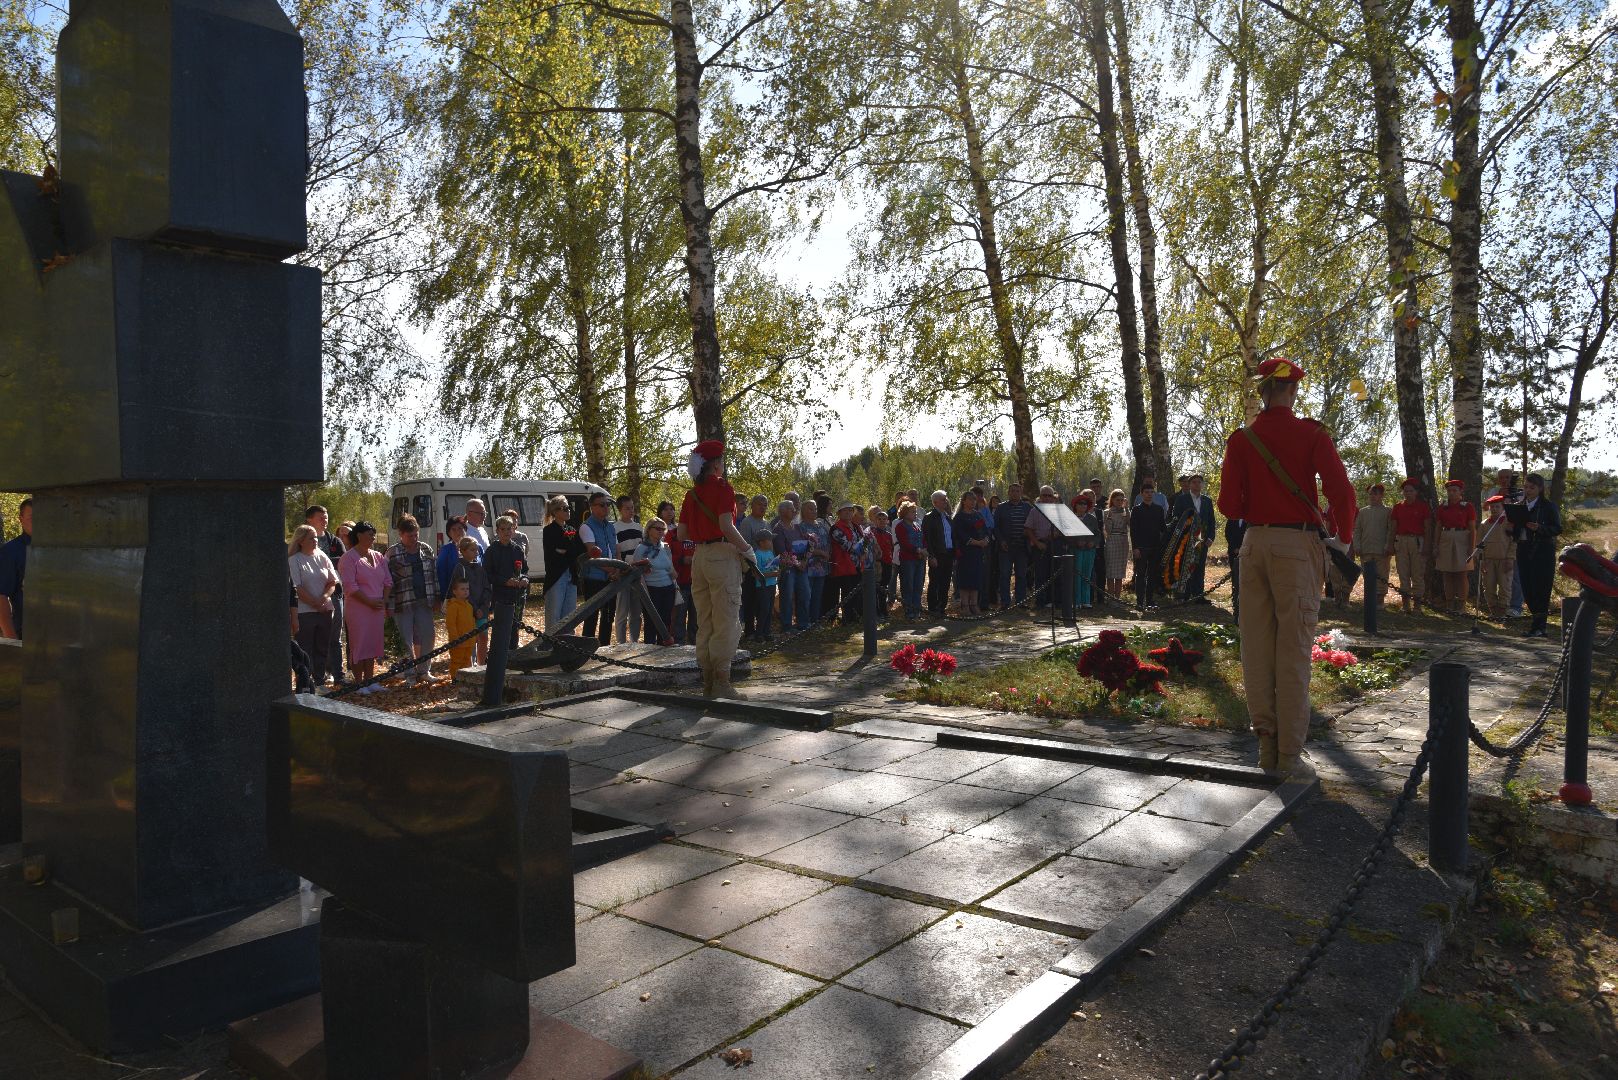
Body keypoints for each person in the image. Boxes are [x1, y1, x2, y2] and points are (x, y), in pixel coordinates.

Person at [1217, 356, 1355, 778]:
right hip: (1297, 547)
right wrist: (1343, 541)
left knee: (1256, 649)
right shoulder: (1310, 434)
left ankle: (1266, 747)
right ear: (1292, 390)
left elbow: (1228, 505)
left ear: (1262, 391)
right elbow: (1342, 494)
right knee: (1293, 653)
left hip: (1254, 544)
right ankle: (1290, 757)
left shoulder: (1242, 440)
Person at [677, 439, 753, 699]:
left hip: (700, 557)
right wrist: (746, 549)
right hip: (722, 556)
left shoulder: (691, 494)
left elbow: (682, 533)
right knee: (726, 620)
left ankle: (708, 681)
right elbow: (725, 525)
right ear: (716, 465)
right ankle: (722, 682)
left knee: (705, 621)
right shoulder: (723, 488)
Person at [386, 514, 441, 685]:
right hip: (402, 602)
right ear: (401, 534)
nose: (414, 538)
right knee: (405, 639)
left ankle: (424, 670)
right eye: (410, 535)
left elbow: (434, 574)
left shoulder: (426, 549)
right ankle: (408, 673)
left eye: (416, 534)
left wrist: (437, 597)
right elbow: (386, 580)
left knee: (428, 635)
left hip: (424, 600)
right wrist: (388, 604)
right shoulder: (392, 553)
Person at [338, 522, 390, 693]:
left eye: (374, 534)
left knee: (373, 642)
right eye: (369, 534)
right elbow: (350, 587)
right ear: (359, 535)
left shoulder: (378, 556)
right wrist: (369, 602)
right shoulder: (349, 558)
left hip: (377, 607)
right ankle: (359, 682)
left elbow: (388, 581)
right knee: (359, 643)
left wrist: (383, 600)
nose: (373, 537)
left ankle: (370, 680)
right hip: (358, 608)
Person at [288, 524, 339, 686]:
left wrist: (323, 599)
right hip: (304, 612)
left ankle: (319, 681)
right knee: (305, 649)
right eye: (311, 538)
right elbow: (296, 587)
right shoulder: (294, 560)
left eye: (316, 537)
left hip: (325, 609)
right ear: (301, 540)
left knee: (322, 647)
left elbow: (332, 582)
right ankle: (304, 683)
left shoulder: (322, 556)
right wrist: (314, 603)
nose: (315, 540)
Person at [1513, 473, 1561, 637]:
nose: (1528, 490)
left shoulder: (1548, 506)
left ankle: (1539, 627)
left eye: (1532, 487)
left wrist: (1539, 528)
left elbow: (1557, 529)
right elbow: (1515, 532)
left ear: (1540, 489)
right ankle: (1536, 624)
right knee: (1527, 588)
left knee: (1540, 588)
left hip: (1542, 552)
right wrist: (1510, 528)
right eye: (1525, 487)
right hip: (1524, 550)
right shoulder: (1519, 505)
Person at [306, 505, 347, 682]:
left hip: (334, 594)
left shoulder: (335, 541)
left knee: (335, 637)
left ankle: (338, 674)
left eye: (326, 517)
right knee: (315, 638)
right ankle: (318, 676)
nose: (325, 520)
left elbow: (344, 564)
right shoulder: (302, 542)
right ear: (309, 519)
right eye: (321, 517)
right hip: (310, 597)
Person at [484, 515, 530, 651]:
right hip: (500, 595)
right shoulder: (492, 551)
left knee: (515, 627)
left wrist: (524, 579)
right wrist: (505, 581)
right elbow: (487, 574)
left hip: (517, 595)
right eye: (503, 529)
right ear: (497, 531)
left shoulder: (517, 550)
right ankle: (498, 657)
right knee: (501, 628)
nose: (506, 532)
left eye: (509, 529)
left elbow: (525, 570)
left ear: (513, 530)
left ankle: (512, 654)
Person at [578, 493, 618, 644]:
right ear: (592, 507)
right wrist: (613, 570)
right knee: (591, 617)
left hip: (612, 578)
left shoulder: (611, 527)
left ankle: (604, 649)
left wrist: (618, 570)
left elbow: (617, 550)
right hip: (594, 579)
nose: (606, 507)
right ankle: (585, 651)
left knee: (608, 617)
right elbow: (593, 554)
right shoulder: (586, 527)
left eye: (607, 504)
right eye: (602, 505)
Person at [541, 495, 585, 629]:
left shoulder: (572, 529)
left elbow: (578, 550)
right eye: (564, 508)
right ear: (555, 512)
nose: (568, 511)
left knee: (569, 614)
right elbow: (557, 551)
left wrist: (566, 550)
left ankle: (567, 643)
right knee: (554, 614)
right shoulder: (549, 530)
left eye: (568, 507)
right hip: (556, 576)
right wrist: (568, 550)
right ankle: (550, 645)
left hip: (571, 576)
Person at [1389, 479, 1432, 614]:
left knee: (1417, 574)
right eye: (1406, 491)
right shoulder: (1398, 507)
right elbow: (1393, 527)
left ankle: (1417, 606)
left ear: (1416, 492)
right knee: (1403, 573)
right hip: (1401, 541)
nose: (1408, 493)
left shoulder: (1423, 507)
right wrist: (1390, 544)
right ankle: (1405, 605)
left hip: (1417, 541)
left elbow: (1428, 527)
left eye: (1411, 491)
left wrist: (1427, 546)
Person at [1434, 480, 1476, 615]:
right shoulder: (1442, 507)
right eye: (1449, 491)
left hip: (1462, 537)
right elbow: (1438, 527)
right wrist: (1436, 545)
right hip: (1446, 537)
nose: (1451, 493)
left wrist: (1472, 546)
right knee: (1447, 573)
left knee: (1462, 574)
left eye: (1454, 491)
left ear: (1460, 492)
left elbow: (1472, 528)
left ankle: (1462, 604)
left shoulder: (1467, 507)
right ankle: (1450, 603)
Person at [632, 518, 677, 644]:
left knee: (666, 621)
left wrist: (674, 576)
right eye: (657, 529)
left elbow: (671, 568)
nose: (661, 532)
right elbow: (636, 573)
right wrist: (644, 593)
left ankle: (663, 649)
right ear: (649, 530)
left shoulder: (665, 547)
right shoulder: (641, 548)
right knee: (651, 622)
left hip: (668, 588)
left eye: (663, 529)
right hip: (651, 590)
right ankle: (650, 652)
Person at [1173, 474, 1217, 601]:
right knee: (1185, 565)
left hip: (1202, 539)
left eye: (1199, 482)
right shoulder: (1182, 499)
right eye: (1194, 482)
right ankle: (1184, 594)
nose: (1197, 484)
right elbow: (1176, 518)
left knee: (1199, 566)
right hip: (1186, 538)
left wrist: (1211, 538)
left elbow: (1211, 521)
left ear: (1202, 485)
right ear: (1189, 484)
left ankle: (1198, 595)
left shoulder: (1207, 501)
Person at [1350, 483, 1393, 607]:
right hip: (1366, 549)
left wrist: (1388, 546)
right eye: (1370, 494)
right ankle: (1369, 601)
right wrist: (1357, 546)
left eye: (1375, 494)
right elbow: (1357, 530)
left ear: (1381, 495)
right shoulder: (1363, 512)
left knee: (1382, 576)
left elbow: (1391, 530)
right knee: (1368, 576)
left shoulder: (1388, 511)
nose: (1372, 496)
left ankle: (1380, 602)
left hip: (1382, 550)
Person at [1491, 469, 1525, 616]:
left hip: (1515, 537)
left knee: (1514, 573)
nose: (1504, 480)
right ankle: (1502, 605)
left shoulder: (1519, 494)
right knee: (1500, 574)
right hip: (1499, 538)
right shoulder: (1496, 494)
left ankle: (1516, 606)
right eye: (1501, 477)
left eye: (1507, 477)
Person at [1129, 480, 1168, 609]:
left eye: (1151, 492)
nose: (1149, 494)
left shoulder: (1158, 509)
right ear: (1141, 494)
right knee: (1140, 575)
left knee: (1152, 574)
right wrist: (1135, 548)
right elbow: (1133, 531)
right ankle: (1140, 602)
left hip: (1155, 547)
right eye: (1146, 492)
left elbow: (1163, 528)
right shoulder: (1136, 509)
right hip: (1141, 548)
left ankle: (1150, 600)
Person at [952, 490, 991, 616]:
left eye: (974, 499)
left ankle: (974, 604)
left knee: (976, 578)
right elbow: (961, 535)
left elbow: (985, 530)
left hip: (978, 553)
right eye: (970, 499)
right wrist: (976, 542)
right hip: (965, 553)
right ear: (964, 501)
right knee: (966, 580)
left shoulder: (978, 515)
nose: (973, 502)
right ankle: (965, 606)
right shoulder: (959, 517)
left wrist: (985, 539)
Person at [453, 535, 491, 662]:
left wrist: (484, 607)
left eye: (476, 550)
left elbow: (487, 588)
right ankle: (470, 665)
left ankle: (481, 665)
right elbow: (462, 592)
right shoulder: (459, 568)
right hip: (468, 610)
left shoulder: (480, 568)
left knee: (483, 638)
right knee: (470, 639)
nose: (475, 552)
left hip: (482, 610)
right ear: (463, 551)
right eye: (472, 550)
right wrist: (475, 609)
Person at [738, 495, 771, 638]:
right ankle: (750, 631)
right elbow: (744, 546)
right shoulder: (747, 522)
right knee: (750, 599)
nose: (762, 507)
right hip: (751, 568)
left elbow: (770, 546)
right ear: (752, 505)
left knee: (763, 601)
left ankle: (763, 629)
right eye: (759, 504)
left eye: (765, 505)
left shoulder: (766, 523)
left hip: (766, 568)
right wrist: (751, 568)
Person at [771, 500, 807, 633]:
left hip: (801, 567)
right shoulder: (778, 529)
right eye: (791, 509)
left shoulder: (797, 527)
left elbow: (805, 544)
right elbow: (782, 552)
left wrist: (804, 561)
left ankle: (802, 623)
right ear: (783, 511)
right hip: (788, 569)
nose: (795, 511)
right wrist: (797, 563)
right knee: (787, 596)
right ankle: (786, 626)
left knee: (804, 593)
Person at [995, 482, 1033, 608]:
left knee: (1021, 575)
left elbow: (1031, 526)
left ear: (1021, 493)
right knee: (1005, 574)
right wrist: (1001, 541)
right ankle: (1005, 602)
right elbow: (996, 528)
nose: (1015, 493)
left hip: (1022, 547)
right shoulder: (1001, 508)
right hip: (1006, 547)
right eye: (1012, 491)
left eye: (1017, 491)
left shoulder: (1027, 507)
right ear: (1008, 492)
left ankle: (1020, 601)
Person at [612, 496, 644, 645]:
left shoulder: (639, 528)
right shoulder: (614, 528)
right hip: (623, 573)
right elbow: (615, 551)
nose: (631, 511)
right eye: (627, 508)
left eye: (632, 507)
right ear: (620, 509)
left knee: (636, 612)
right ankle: (621, 643)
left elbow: (642, 549)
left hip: (637, 574)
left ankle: (634, 642)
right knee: (622, 611)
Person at [1479, 495, 1516, 620]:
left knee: (1505, 587)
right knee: (1488, 586)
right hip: (1489, 560)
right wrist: (1482, 560)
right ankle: (1493, 611)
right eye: (1492, 507)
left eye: (1497, 506)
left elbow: (1513, 542)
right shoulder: (1484, 525)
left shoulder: (1508, 523)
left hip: (1504, 560)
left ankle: (1502, 611)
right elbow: (1480, 544)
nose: (1494, 509)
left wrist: (1510, 558)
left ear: (1502, 508)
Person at [0, 497, 31, 640]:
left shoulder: (57, 550)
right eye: (32, 518)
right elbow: (1, 596)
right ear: (21, 519)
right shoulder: (11, 551)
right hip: (24, 634)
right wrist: (11, 640)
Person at [921, 490, 955, 617]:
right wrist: (931, 556)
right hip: (937, 555)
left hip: (949, 554)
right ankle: (933, 608)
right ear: (935, 502)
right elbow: (927, 538)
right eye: (943, 499)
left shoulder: (947, 517)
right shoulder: (929, 517)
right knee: (935, 582)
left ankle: (942, 608)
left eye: (946, 499)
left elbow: (951, 536)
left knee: (945, 582)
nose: (945, 501)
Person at [828, 503, 864, 622]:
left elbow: (863, 541)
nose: (848, 513)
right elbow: (847, 546)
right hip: (844, 565)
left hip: (857, 565)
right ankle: (847, 619)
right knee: (847, 593)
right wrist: (861, 548)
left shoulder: (856, 526)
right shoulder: (836, 528)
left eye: (850, 510)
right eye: (845, 511)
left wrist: (864, 549)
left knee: (857, 593)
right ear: (839, 513)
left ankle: (856, 617)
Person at [800, 498, 831, 623]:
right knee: (807, 595)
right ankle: (804, 622)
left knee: (818, 596)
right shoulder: (800, 527)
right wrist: (820, 552)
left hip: (822, 567)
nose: (814, 511)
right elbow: (802, 547)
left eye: (815, 509)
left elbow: (828, 542)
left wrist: (827, 553)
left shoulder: (822, 526)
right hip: (808, 567)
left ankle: (815, 621)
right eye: (810, 508)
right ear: (803, 511)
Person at [1070, 492, 1099, 610]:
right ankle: (1076, 601)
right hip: (1076, 549)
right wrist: (1076, 542)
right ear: (1075, 505)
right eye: (1080, 504)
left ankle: (1086, 600)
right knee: (1077, 574)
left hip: (1089, 550)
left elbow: (1097, 533)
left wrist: (1094, 542)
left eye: (1085, 504)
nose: (1083, 506)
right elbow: (1067, 535)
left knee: (1087, 574)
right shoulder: (1071, 518)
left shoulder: (1091, 518)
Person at [896, 502, 925, 619]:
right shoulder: (900, 526)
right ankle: (909, 611)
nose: (915, 513)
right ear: (905, 513)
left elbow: (923, 539)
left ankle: (917, 610)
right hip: (908, 560)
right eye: (912, 511)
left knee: (918, 585)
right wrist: (918, 550)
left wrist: (924, 550)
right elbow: (904, 543)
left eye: (915, 511)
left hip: (920, 559)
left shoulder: (917, 525)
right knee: (908, 585)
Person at [445, 576, 478, 673]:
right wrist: (455, 639)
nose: (465, 591)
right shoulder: (453, 606)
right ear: (455, 591)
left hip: (469, 641)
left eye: (467, 589)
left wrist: (474, 636)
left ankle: (464, 680)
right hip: (458, 642)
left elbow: (472, 622)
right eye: (462, 589)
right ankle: (455, 679)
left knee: (467, 661)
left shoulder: (469, 606)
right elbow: (451, 624)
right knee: (456, 661)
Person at [750, 529, 779, 642]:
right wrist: (772, 573)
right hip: (763, 586)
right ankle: (759, 633)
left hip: (772, 584)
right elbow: (756, 574)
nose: (771, 542)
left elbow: (773, 566)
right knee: (764, 609)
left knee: (769, 608)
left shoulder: (770, 552)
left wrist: (778, 570)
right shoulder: (757, 554)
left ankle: (767, 632)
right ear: (761, 542)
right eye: (769, 540)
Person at [1102, 489, 1130, 602]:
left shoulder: (1126, 511)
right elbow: (1108, 530)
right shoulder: (1106, 512)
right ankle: (1110, 598)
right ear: (1112, 499)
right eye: (1117, 499)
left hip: (1123, 541)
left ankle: (1117, 599)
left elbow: (1129, 524)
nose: (1119, 502)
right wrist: (1109, 516)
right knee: (1110, 572)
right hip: (1112, 541)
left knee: (1119, 573)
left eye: (1121, 500)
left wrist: (1127, 509)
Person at [436, 515, 468, 598]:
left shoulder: (477, 547)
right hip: (454, 598)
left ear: (465, 529)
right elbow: (441, 576)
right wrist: (445, 597)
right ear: (449, 533)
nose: (457, 532)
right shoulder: (445, 551)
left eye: (460, 528)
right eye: (453, 529)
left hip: (475, 598)